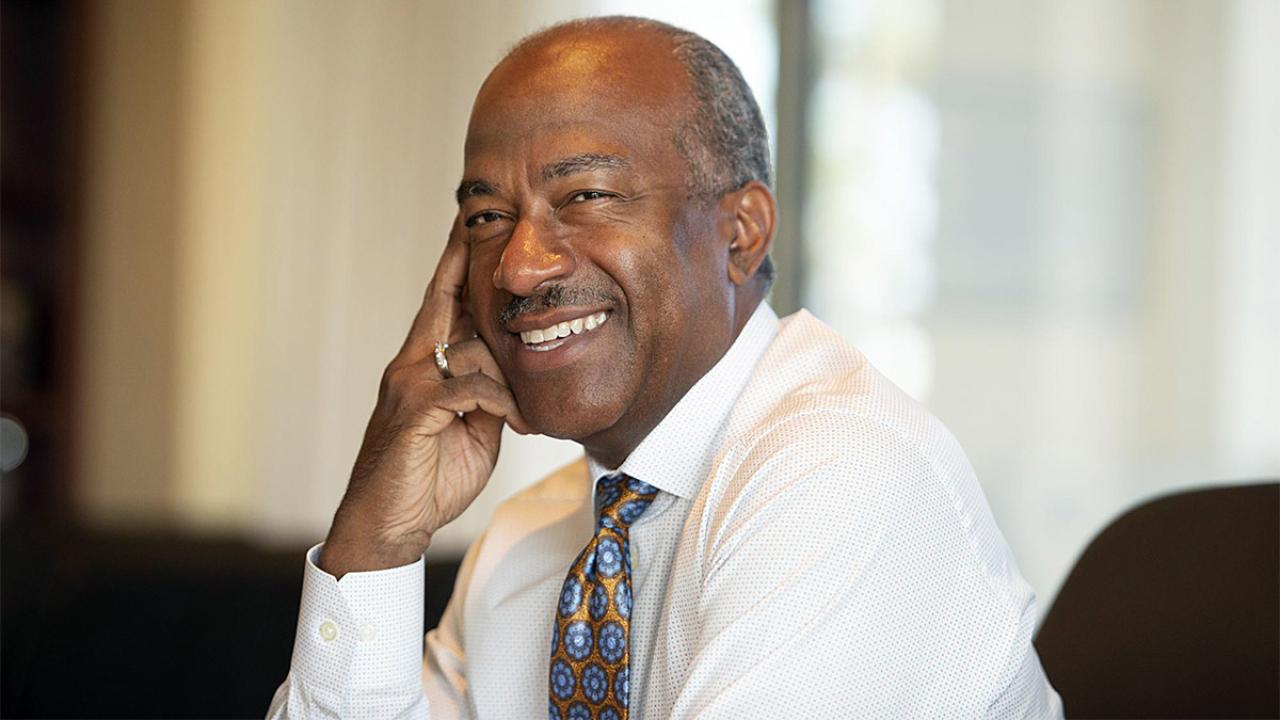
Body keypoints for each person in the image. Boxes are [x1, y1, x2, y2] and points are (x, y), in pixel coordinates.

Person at [268, 16, 1063, 720]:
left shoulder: (843, 473)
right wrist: (376, 540)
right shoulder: (530, 537)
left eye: (584, 195)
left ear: (741, 233)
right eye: (486, 217)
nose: (517, 268)